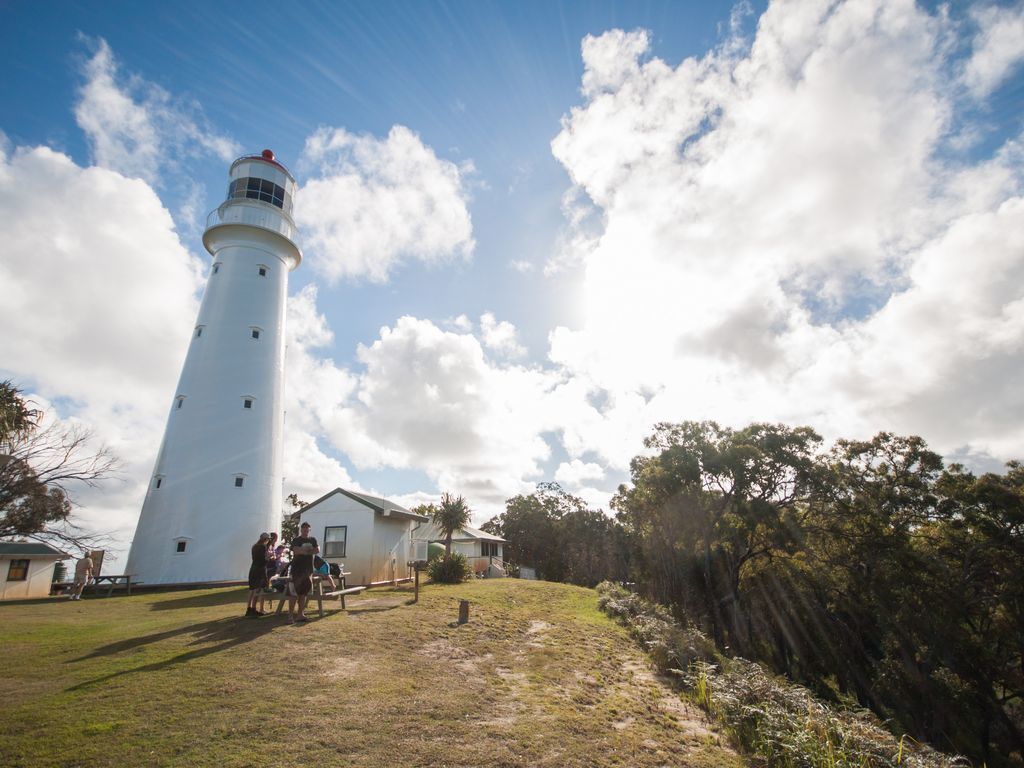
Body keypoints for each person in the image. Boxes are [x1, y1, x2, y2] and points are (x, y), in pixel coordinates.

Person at [288, 522, 319, 623]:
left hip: (308, 570)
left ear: (309, 530)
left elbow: (317, 550)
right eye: (304, 530)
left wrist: (304, 551)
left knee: (304, 593)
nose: (305, 532)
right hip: (296, 570)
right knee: (293, 593)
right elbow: (296, 550)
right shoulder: (296, 540)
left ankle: (300, 614)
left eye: (307, 530)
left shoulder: (312, 539)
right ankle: (290, 616)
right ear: (301, 530)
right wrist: (308, 551)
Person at [245, 532, 270, 617]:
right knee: (258, 589)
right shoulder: (263, 547)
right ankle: (254, 609)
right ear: (266, 539)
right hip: (260, 570)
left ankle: (249, 609)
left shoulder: (254, 546)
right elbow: (263, 560)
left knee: (252, 589)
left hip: (253, 569)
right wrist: (268, 558)